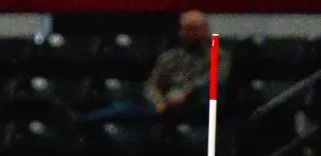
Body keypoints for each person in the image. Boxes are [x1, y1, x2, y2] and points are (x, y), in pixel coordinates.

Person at [81, 10, 224, 125]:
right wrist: (158, 101)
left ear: (205, 31)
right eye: (184, 29)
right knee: (122, 109)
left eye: (193, 29)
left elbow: (215, 79)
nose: (187, 34)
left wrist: (186, 93)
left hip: (196, 107)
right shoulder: (170, 57)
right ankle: (77, 121)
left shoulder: (218, 55)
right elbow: (152, 84)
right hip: (165, 107)